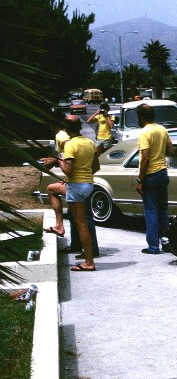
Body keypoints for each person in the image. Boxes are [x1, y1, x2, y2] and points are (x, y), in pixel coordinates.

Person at [59, 115, 100, 271]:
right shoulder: (89, 142)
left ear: (67, 128)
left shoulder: (70, 145)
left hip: (76, 185)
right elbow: (96, 167)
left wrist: (60, 161)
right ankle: (88, 259)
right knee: (83, 222)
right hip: (88, 184)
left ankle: (89, 262)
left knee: (81, 224)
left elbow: (68, 170)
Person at [136, 103, 174, 254]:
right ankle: (166, 242)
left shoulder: (145, 133)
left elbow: (145, 158)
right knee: (163, 210)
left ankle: (153, 246)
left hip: (150, 175)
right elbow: (171, 151)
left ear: (141, 117)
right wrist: (159, 152)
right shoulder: (162, 129)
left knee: (151, 211)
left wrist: (140, 180)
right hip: (162, 173)